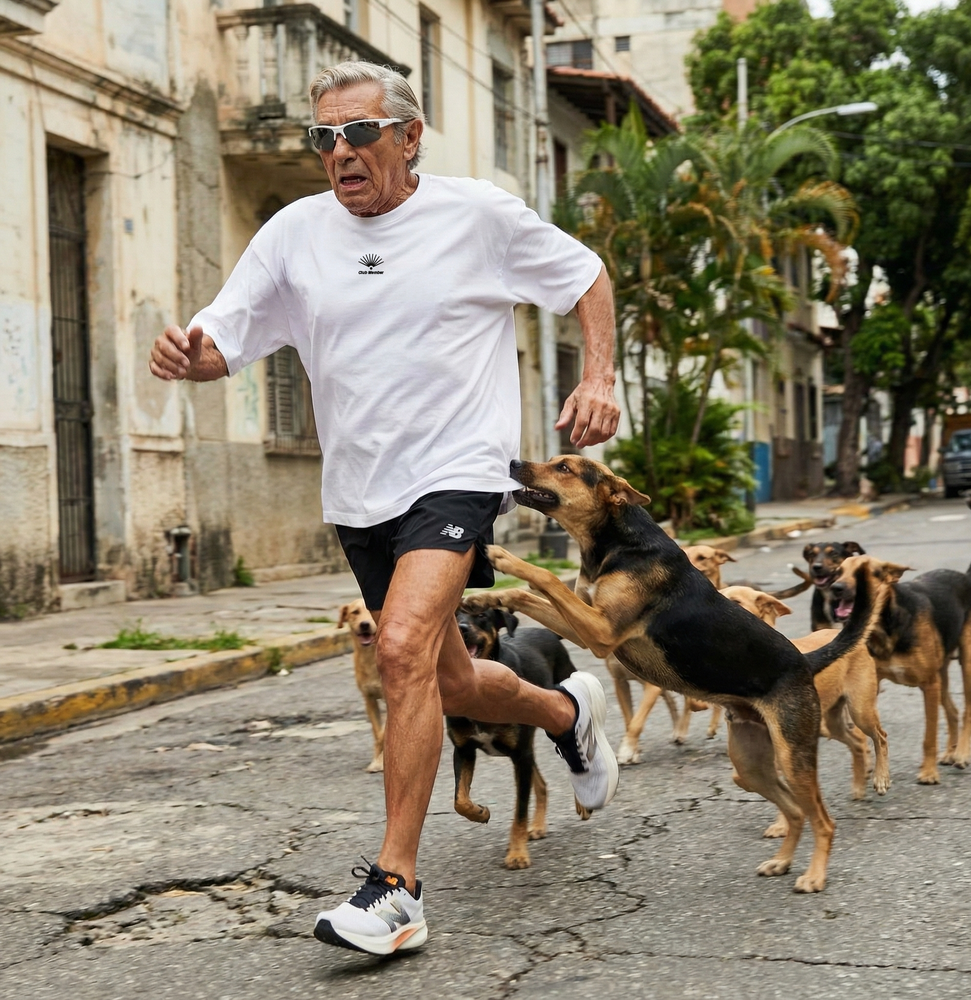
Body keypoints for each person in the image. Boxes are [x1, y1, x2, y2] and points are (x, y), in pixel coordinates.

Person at [149, 61, 621, 957]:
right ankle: (569, 713)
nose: (340, 154)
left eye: (358, 133)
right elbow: (228, 338)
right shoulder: (293, 233)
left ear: (408, 137)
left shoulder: (475, 215)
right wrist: (191, 354)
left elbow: (585, 274)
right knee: (442, 679)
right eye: (323, 138)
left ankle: (396, 888)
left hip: (455, 471)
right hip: (359, 490)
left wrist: (598, 375)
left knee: (399, 648)